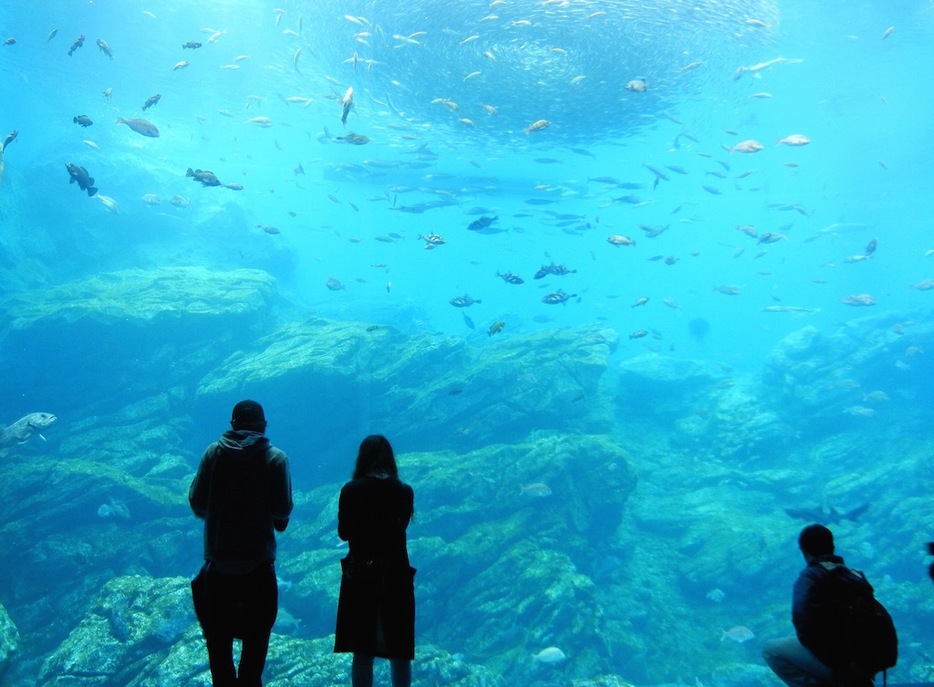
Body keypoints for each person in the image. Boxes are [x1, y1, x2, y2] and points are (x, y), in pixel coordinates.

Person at [189, 400, 293, 687]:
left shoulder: (213, 454)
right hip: (258, 569)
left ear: (232, 424)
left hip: (218, 569)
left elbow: (197, 503)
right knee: (254, 656)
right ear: (263, 425)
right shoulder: (276, 459)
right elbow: (282, 512)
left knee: (220, 657)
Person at [334, 434, 415, 687]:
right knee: (400, 649)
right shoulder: (404, 491)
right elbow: (401, 526)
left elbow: (344, 533)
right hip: (397, 576)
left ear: (362, 459)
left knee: (363, 649)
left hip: (361, 575)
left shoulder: (351, 490)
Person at [763, 524, 873, 687]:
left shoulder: (811, 577)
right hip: (869, 662)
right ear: (833, 547)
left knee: (770, 650)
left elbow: (803, 625)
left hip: (839, 664)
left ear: (804, 552)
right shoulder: (856, 575)